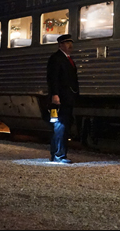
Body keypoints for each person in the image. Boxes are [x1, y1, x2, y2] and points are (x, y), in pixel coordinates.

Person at [46, 34, 80, 163]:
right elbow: (52, 78)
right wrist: (55, 94)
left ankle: (60, 154)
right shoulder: (56, 59)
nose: (70, 45)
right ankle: (58, 155)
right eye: (66, 43)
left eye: (71, 43)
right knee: (60, 126)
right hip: (60, 98)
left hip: (67, 98)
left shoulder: (67, 59)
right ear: (60, 45)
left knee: (64, 126)